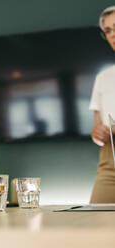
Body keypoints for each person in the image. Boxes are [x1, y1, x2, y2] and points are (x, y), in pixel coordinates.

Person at [89, 5, 115, 203]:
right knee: (96, 220)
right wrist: (97, 134)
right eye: (108, 31)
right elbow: (97, 128)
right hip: (109, 158)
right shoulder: (103, 78)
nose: (113, 34)